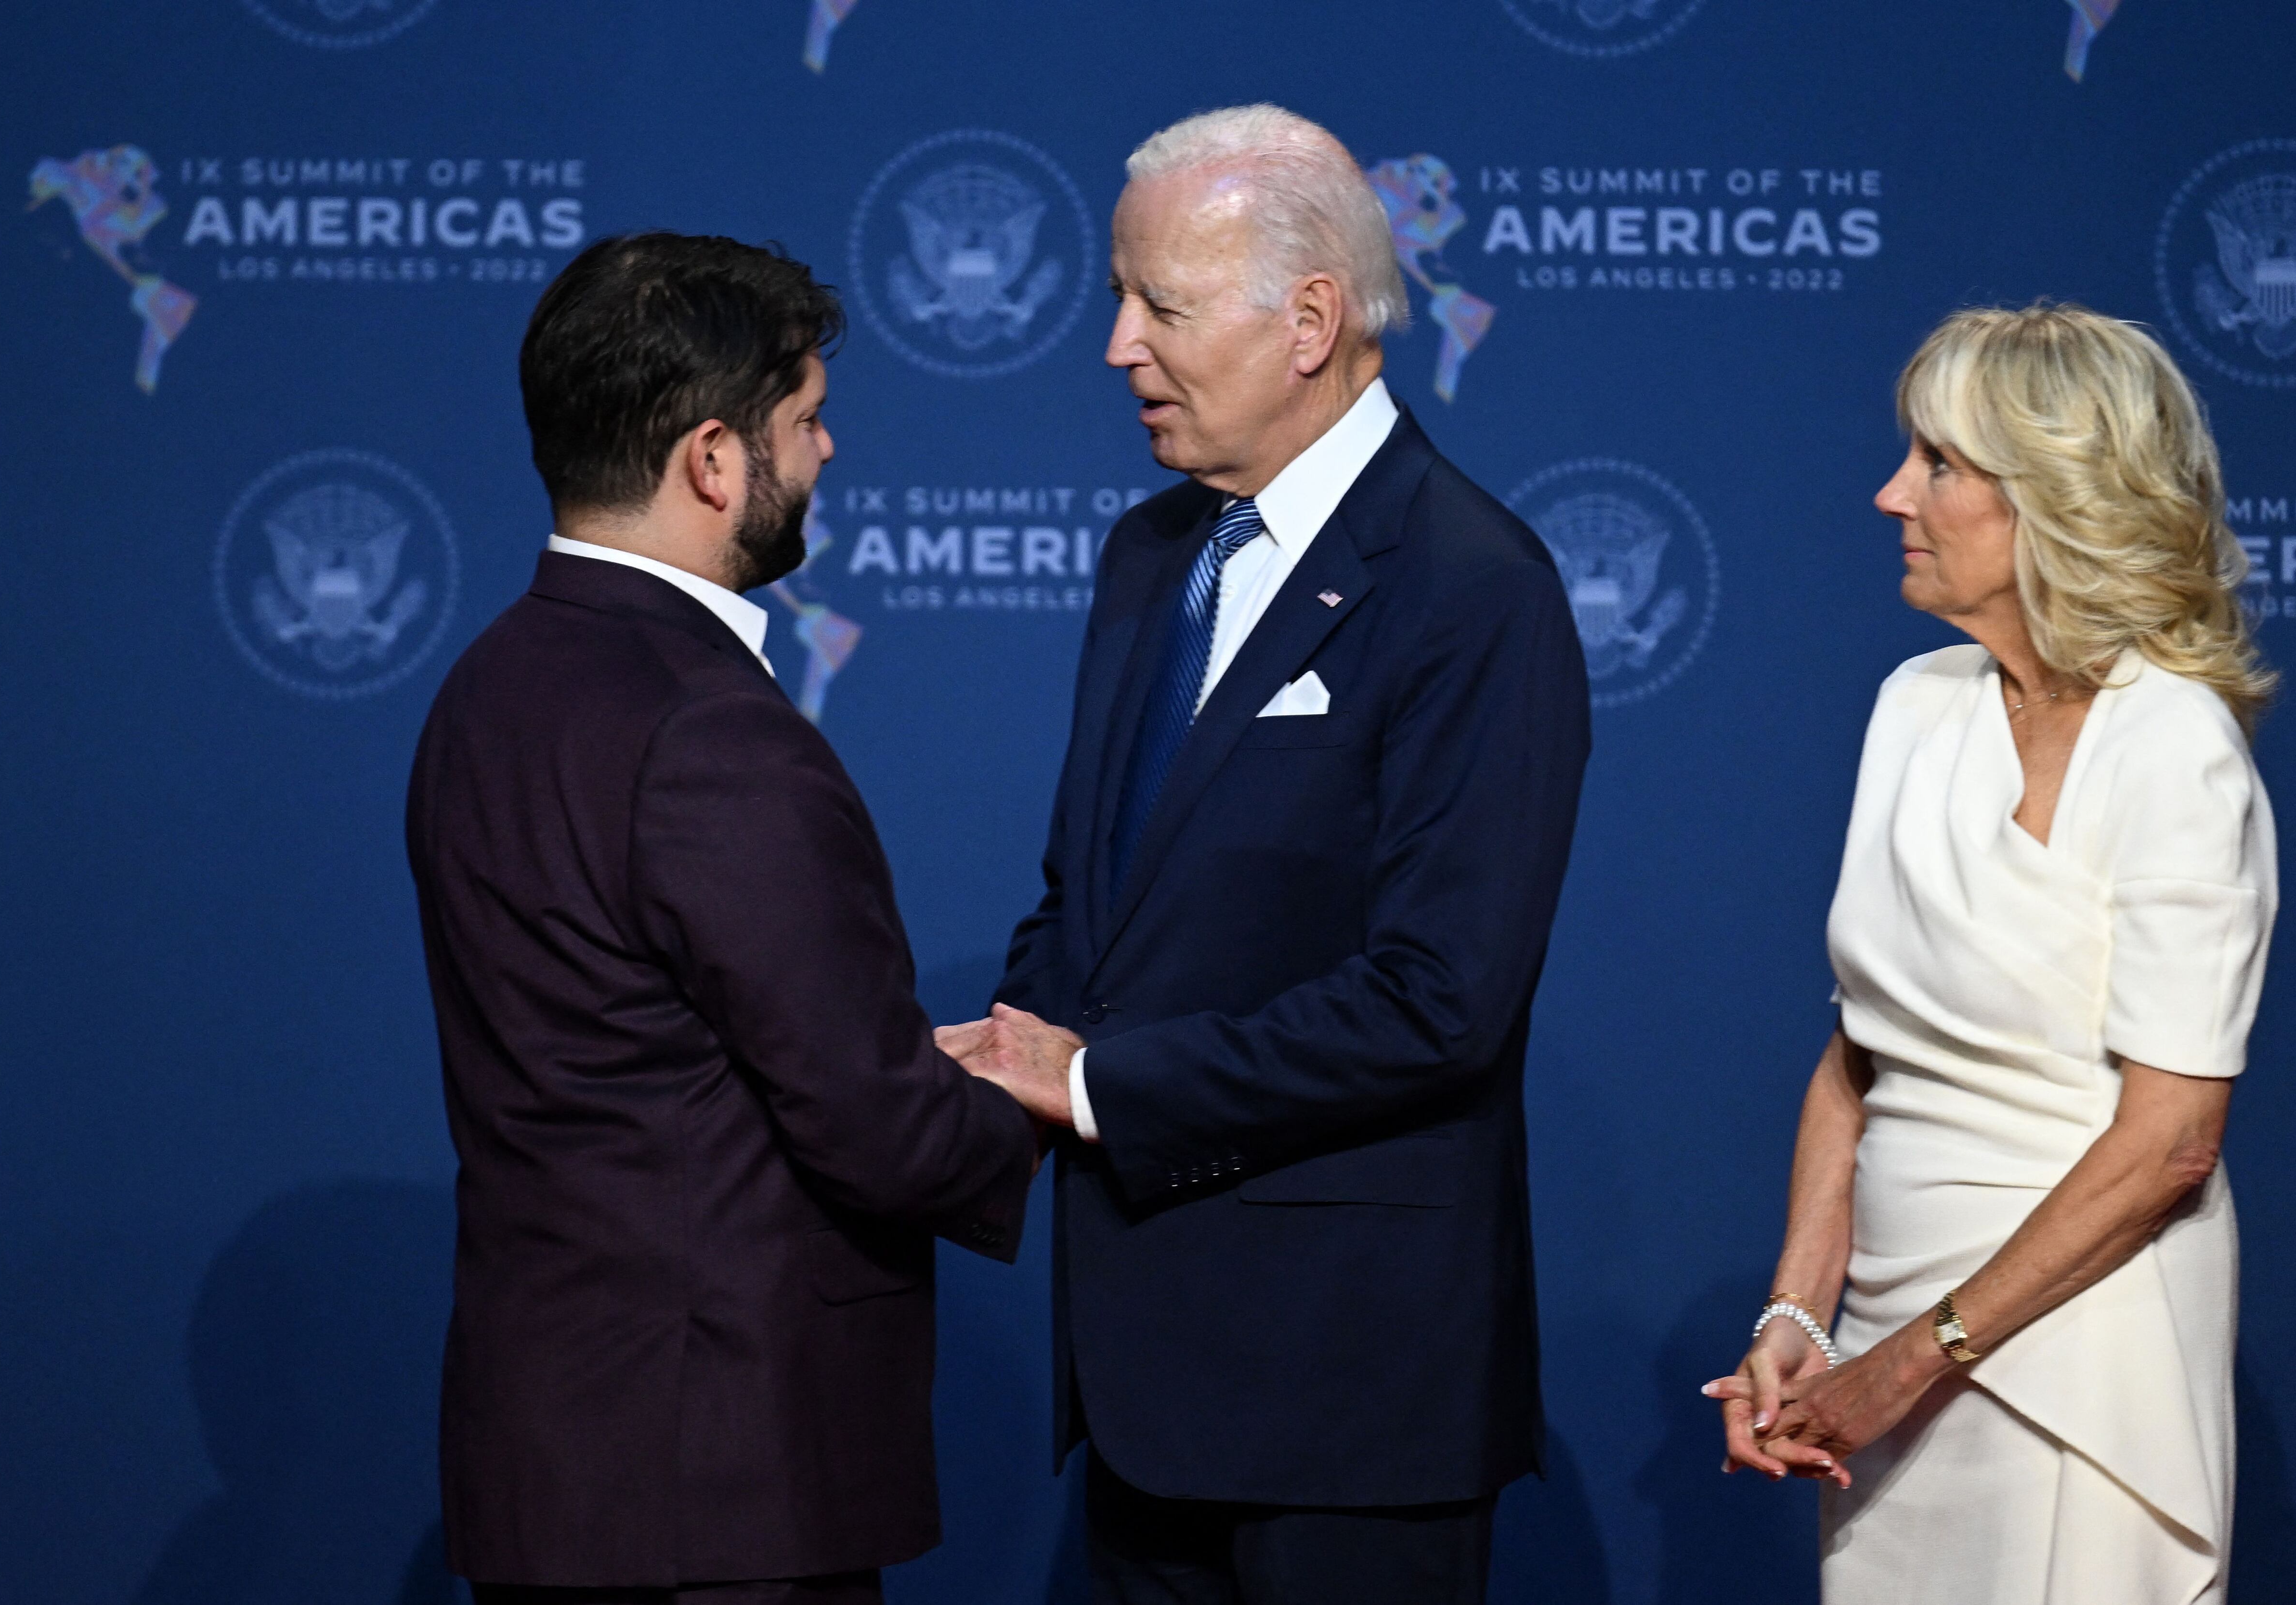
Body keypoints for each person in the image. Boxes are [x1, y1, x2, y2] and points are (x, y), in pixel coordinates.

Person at [942, 105, 1591, 1605]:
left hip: (1349, 1402)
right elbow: (1089, 906)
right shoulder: (1148, 555)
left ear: (1310, 320)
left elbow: (1441, 998)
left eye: (1159, 306)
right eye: (1121, 298)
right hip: (1138, 1381)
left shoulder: (1471, 589)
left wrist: (1095, 1090)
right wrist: (989, 1069)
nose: (1117, 345)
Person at [405, 233, 1039, 1605]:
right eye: (806, 421)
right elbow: (868, 1122)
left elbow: (656, 1057)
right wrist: (1037, 1095)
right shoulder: (709, 729)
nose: (826, 455)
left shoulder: (485, 688)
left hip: (556, 1474)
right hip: (720, 1489)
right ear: (713, 459)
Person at [1705, 304, 2277, 1604]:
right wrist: (1800, 1319)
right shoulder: (1915, 708)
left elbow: (2175, 1138)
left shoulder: (2173, 746)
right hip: (1891, 1361)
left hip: (2082, 1345)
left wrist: (1905, 1364)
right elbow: (1858, 1062)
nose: (1892, 492)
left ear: (2056, 498)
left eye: (1942, 465)